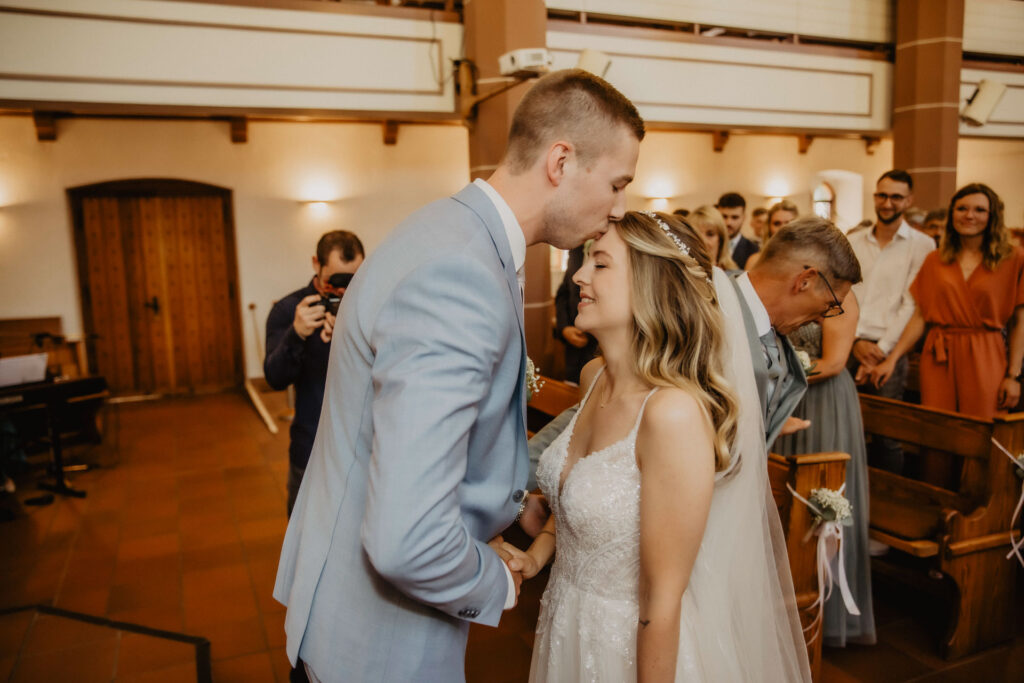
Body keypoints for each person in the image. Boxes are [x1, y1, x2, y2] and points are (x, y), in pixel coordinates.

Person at [273, 69, 644, 683]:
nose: (620, 206)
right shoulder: (462, 272)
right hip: (378, 642)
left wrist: (480, 528)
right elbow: (405, 539)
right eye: (616, 183)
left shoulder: (446, 229)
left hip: (343, 601)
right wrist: (488, 578)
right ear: (561, 161)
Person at [505, 211, 811, 682]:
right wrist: (537, 556)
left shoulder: (671, 413)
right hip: (566, 620)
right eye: (586, 262)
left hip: (633, 642)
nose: (581, 277)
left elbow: (662, 600)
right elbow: (576, 507)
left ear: (652, 285)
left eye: (601, 265)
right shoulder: (593, 379)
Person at [871, 183, 1024, 420]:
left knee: (982, 429)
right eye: (962, 208)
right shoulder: (936, 259)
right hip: (938, 356)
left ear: (993, 215)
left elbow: (1018, 322)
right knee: (936, 430)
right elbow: (921, 316)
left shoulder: (1013, 258)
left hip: (986, 353)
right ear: (952, 213)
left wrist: (1013, 376)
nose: (969, 215)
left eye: (979, 210)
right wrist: (892, 359)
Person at [775, 295, 877, 647]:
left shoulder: (842, 296)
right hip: (788, 396)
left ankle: (825, 608)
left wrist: (777, 373)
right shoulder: (791, 287)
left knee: (821, 496)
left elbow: (833, 363)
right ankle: (782, 600)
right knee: (785, 493)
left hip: (823, 399)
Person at [264, 230, 364, 517]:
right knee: (305, 540)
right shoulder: (289, 309)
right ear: (315, 264)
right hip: (311, 448)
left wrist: (351, 338)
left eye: (353, 279)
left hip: (362, 448)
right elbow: (274, 377)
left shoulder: (368, 306)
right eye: (337, 281)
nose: (344, 291)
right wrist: (296, 334)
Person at [845, 170, 934, 473]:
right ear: (874, 197)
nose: (887, 203)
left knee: (887, 437)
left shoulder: (923, 245)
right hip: (848, 347)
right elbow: (844, 294)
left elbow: (911, 304)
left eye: (896, 197)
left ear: (908, 201)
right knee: (847, 431)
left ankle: (887, 505)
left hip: (889, 353)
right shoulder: (854, 240)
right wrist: (855, 342)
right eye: (882, 195)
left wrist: (881, 350)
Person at [553, 245, 598, 384]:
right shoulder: (576, 249)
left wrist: (590, 334)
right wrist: (564, 328)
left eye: (601, 265)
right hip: (573, 354)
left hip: (599, 348)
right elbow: (564, 292)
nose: (579, 278)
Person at [743, 199, 798, 271]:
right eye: (777, 223)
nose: (783, 228)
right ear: (768, 227)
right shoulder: (755, 261)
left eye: (789, 223)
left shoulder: (808, 259)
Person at [717, 192, 759, 269]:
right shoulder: (709, 245)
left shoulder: (753, 250)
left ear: (744, 218)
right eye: (724, 216)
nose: (728, 223)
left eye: (735, 217)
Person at [689, 204, 738, 270]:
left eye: (710, 234)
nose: (703, 241)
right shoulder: (677, 276)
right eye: (696, 234)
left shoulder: (734, 277)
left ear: (721, 240)